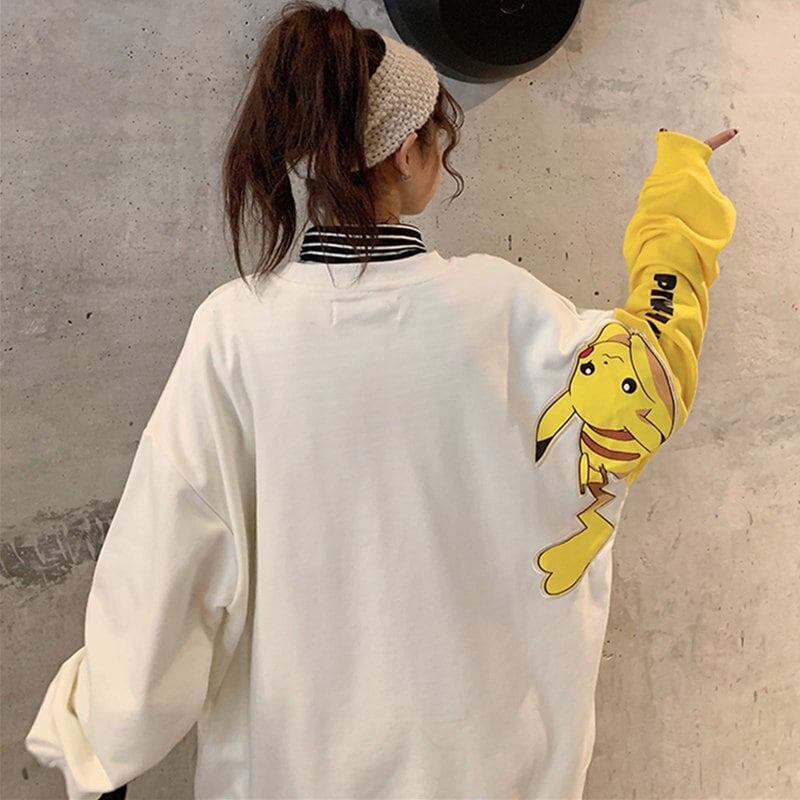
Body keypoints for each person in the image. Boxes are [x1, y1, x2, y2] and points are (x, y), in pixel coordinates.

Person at [24, 2, 737, 798]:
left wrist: (103, 745)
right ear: (405, 151)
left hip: (295, 771)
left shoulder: (237, 333)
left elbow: (167, 562)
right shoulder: (501, 311)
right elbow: (649, 372)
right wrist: (679, 193)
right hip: (481, 773)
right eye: (439, 138)